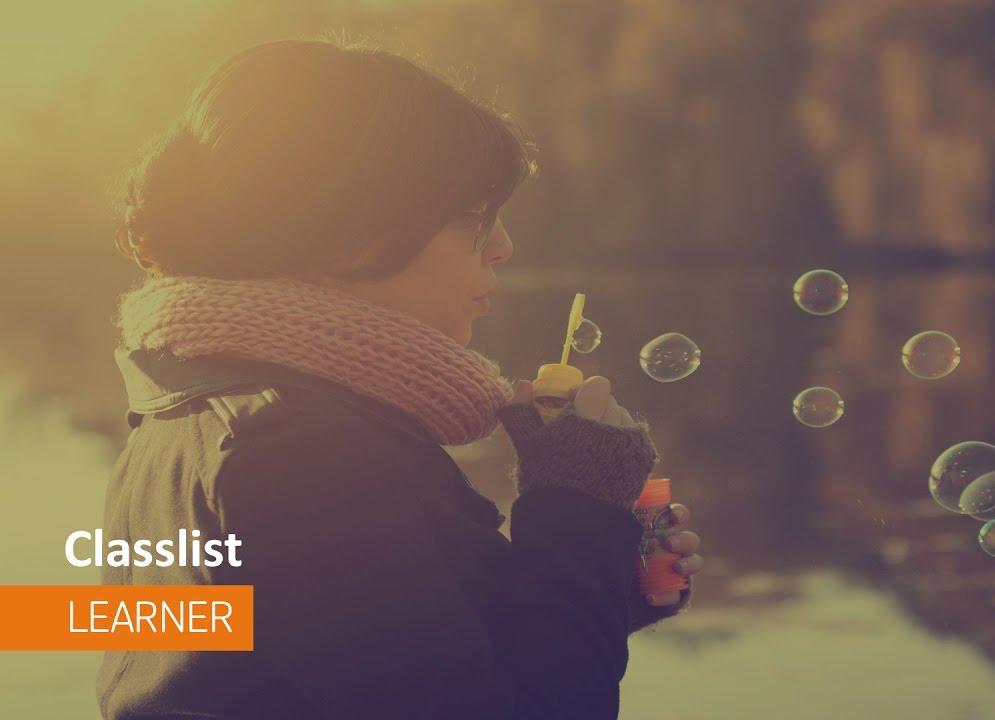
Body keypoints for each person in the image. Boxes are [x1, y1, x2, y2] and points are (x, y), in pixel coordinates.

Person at [100, 36, 702, 719]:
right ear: (351, 238)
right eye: (474, 220)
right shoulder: (300, 455)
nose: (502, 245)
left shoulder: (185, 417)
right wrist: (576, 503)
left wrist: (583, 579)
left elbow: (285, 667)